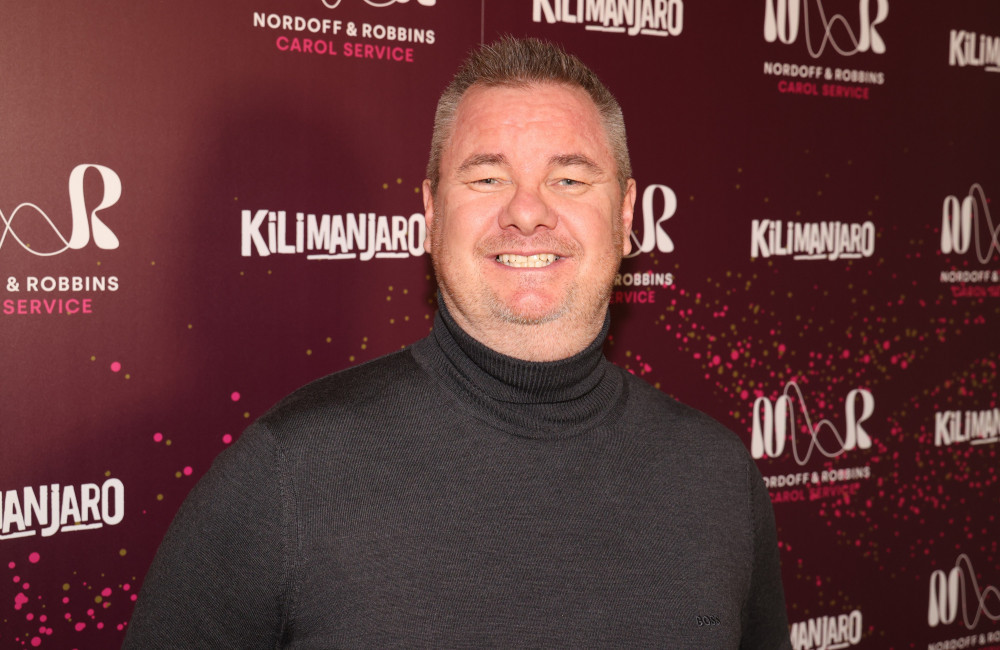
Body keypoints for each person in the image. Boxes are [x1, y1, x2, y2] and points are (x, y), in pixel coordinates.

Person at [124, 37, 790, 648]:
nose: (527, 211)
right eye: (487, 177)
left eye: (569, 178)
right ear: (431, 213)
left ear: (624, 214)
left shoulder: (717, 477)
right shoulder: (287, 474)